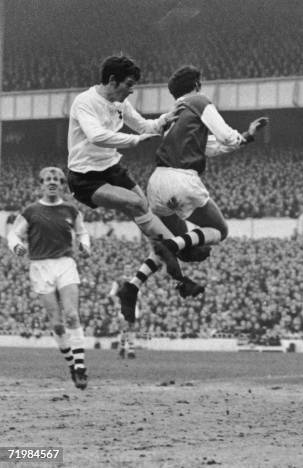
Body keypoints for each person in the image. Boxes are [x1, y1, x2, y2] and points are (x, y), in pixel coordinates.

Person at [114, 65, 268, 320]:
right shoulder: (199, 101)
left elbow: (210, 147)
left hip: (157, 181)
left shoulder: (177, 115)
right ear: (196, 84)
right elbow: (225, 137)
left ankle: (133, 285)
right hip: (182, 179)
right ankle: (172, 246)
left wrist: (247, 137)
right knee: (220, 231)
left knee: (172, 243)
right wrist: (240, 137)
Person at [66, 55, 200, 319]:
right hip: (85, 177)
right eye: (128, 83)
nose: (132, 89)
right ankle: (181, 253)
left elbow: (145, 125)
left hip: (113, 169)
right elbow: (97, 136)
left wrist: (166, 119)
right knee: (138, 205)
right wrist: (136, 140)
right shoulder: (85, 102)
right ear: (112, 80)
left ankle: (140, 285)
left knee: (150, 218)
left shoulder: (120, 102)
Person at [7, 167, 91, 390]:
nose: (52, 182)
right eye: (48, 179)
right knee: (57, 323)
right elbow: (13, 233)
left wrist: (85, 244)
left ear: (63, 185)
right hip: (40, 267)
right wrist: (16, 245)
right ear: (41, 184)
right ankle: (72, 365)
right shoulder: (32, 211)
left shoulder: (71, 210)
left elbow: (83, 232)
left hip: (65, 263)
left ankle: (81, 368)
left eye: (57, 179)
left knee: (72, 315)